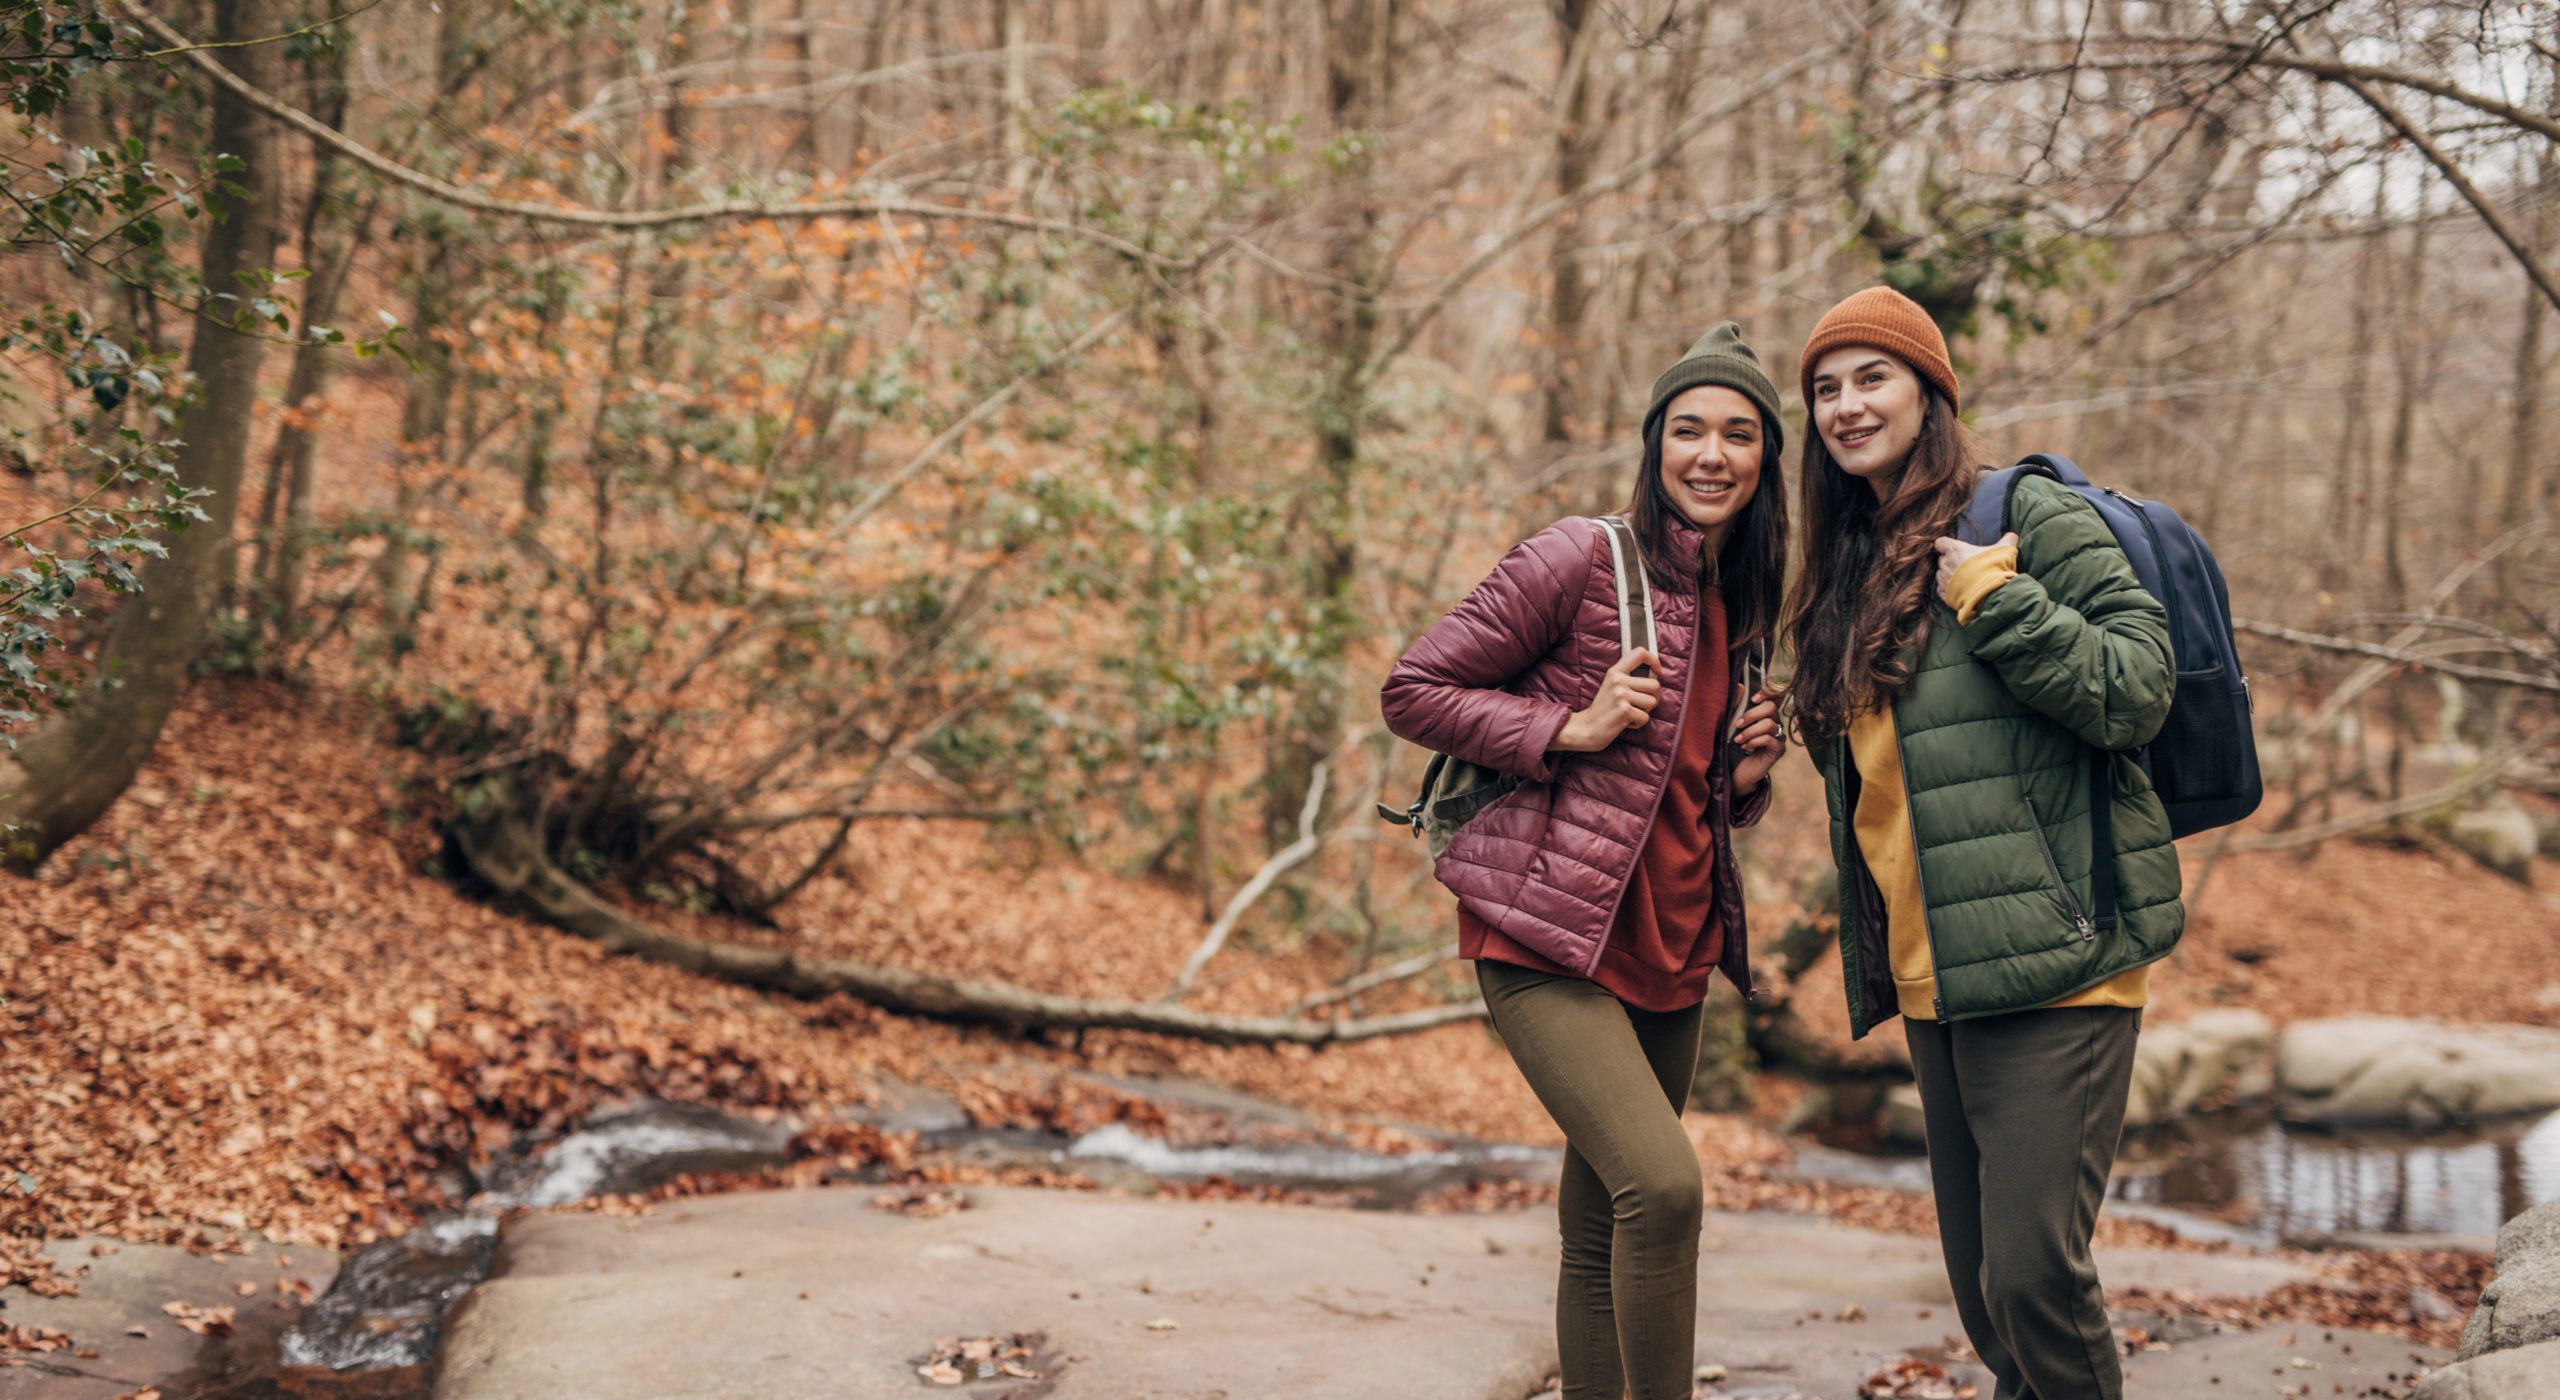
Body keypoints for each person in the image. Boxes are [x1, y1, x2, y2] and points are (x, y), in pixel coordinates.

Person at [1783, 286, 2182, 1400]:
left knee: (2036, 1278)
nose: (1848, 405)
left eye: (1873, 377)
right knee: (1985, 1296)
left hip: (2061, 955)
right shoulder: (1846, 568)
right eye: (1826, 387)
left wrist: (1995, 597)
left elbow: (2136, 688)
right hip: (1936, 973)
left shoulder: (2026, 512)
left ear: (1930, 389)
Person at [1381, 323, 1788, 1400]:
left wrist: (1745, 777)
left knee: (1603, 1221)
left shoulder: (1745, 605)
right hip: (1546, 933)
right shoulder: (1576, 555)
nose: (1711, 453)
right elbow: (1412, 689)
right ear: (1655, 444)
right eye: (1688, 429)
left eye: (1738, 434)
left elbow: (1677, 789)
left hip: (1672, 938)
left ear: (1765, 460)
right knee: (1664, 1187)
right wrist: (1566, 727)